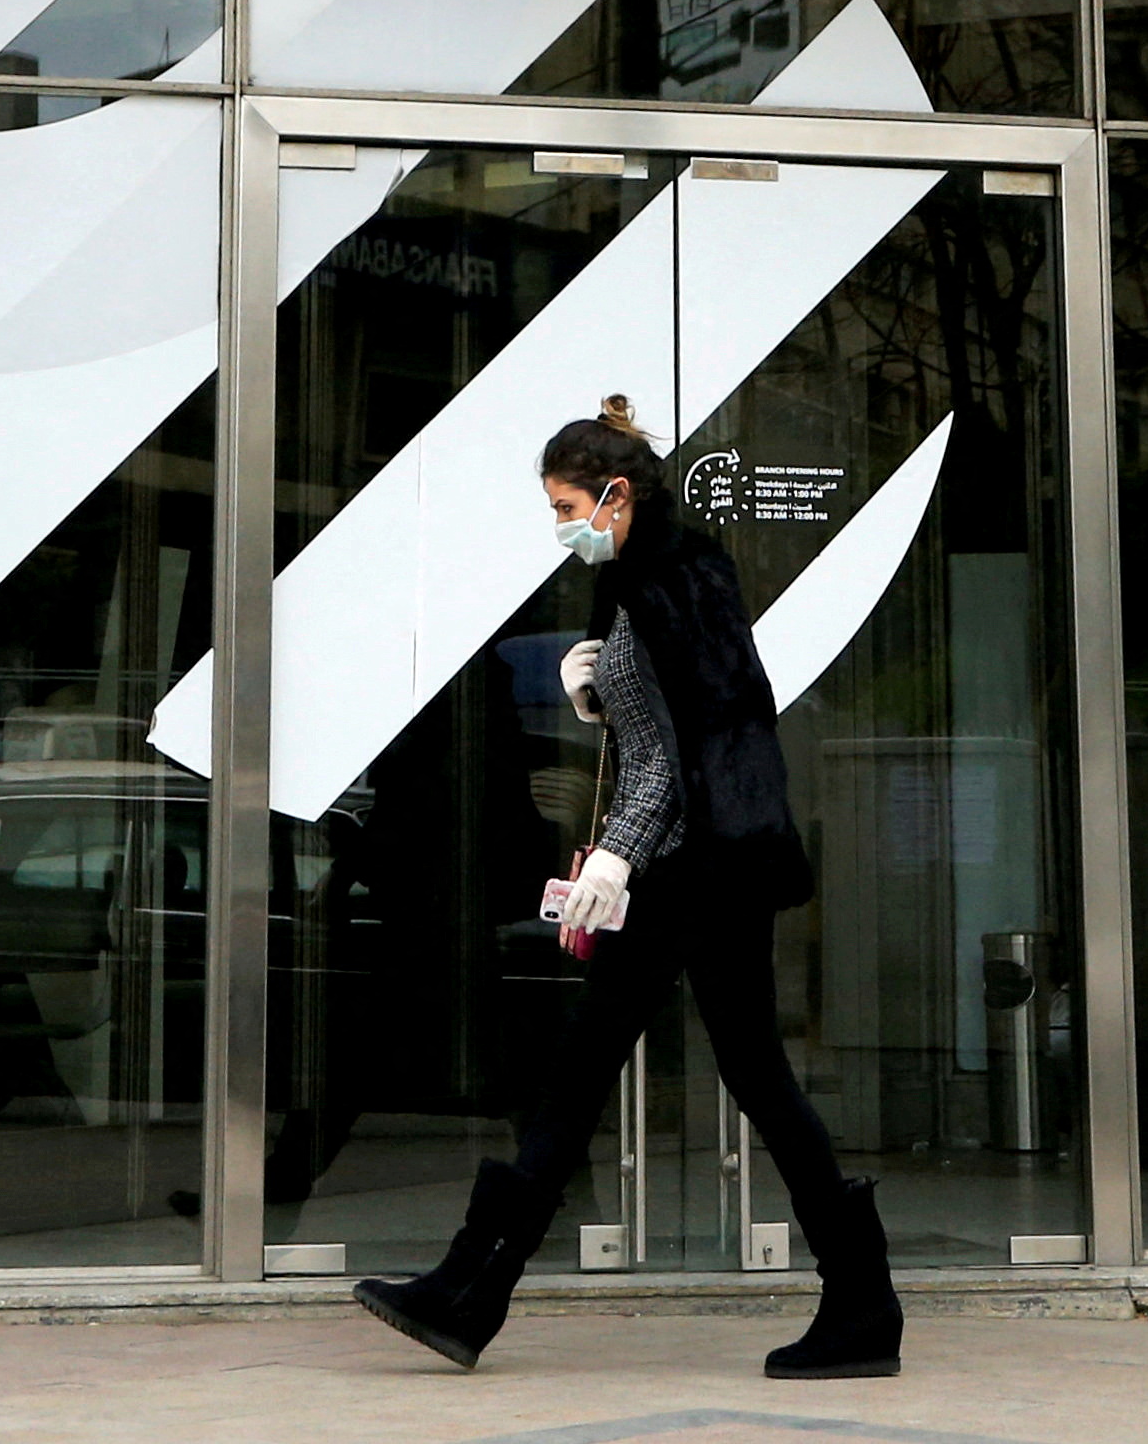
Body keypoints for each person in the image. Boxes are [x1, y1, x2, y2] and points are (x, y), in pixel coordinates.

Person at [352, 397, 904, 1381]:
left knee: (627, 1075)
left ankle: (470, 1290)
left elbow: (681, 756)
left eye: (565, 503)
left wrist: (614, 855)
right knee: (714, 1077)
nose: (558, 523)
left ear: (614, 494)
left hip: (690, 873)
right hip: (702, 869)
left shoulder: (662, 587)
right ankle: (859, 1301)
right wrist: (601, 690)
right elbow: (681, 720)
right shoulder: (662, 579)